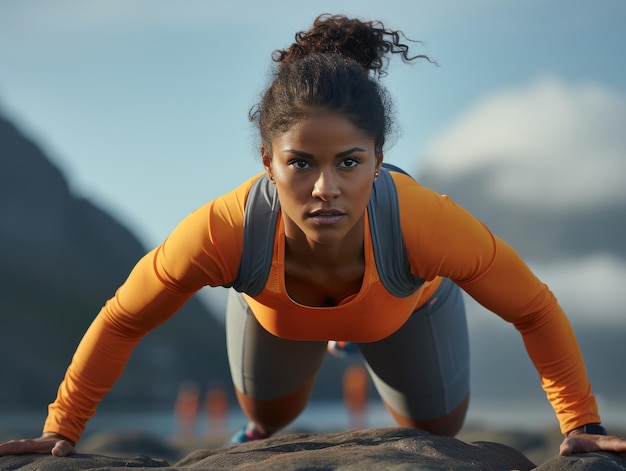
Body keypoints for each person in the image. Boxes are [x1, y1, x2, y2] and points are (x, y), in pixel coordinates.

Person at [1, 13, 625, 459]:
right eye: (300, 163)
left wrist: (580, 424)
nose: (326, 187)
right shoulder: (226, 230)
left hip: (406, 311)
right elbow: (124, 319)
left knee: (437, 426)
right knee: (268, 419)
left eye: (349, 163)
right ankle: (323, 350)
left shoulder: (422, 221)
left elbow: (533, 307)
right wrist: (63, 428)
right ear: (268, 164)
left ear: (379, 161)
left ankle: (350, 340)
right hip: (278, 315)